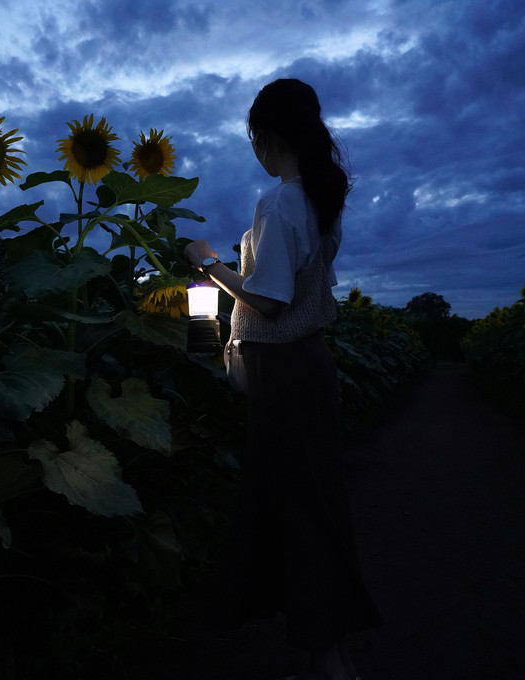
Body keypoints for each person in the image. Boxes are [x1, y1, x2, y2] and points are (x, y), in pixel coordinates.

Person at [184, 78, 382, 680]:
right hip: (310, 366)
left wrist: (207, 263)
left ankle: (328, 659)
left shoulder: (279, 201)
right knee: (314, 502)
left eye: (253, 140)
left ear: (266, 137)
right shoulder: (321, 197)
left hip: (284, 372)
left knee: (297, 508)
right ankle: (333, 652)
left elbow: (268, 301)